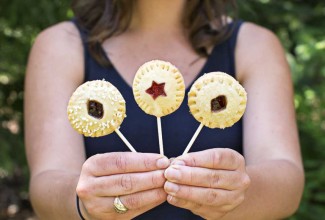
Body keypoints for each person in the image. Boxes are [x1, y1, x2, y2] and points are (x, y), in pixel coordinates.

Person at [24, 0, 304, 219]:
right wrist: (84, 204)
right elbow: (46, 184)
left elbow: (287, 182)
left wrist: (236, 192)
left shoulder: (254, 45)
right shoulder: (60, 45)